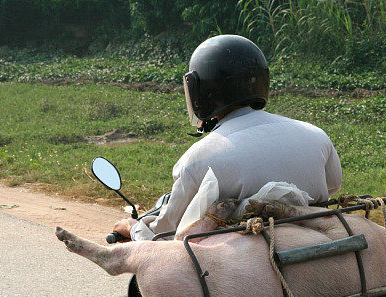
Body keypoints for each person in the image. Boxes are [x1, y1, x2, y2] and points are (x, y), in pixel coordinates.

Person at [111, 34, 342, 240]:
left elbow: (166, 232)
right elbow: (333, 186)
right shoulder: (315, 135)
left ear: (201, 91)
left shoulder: (198, 159)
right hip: (316, 245)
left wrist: (133, 228)